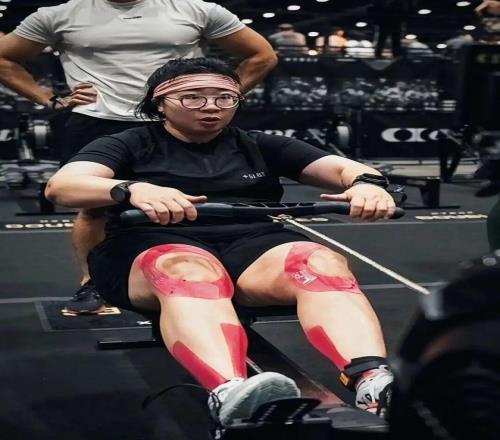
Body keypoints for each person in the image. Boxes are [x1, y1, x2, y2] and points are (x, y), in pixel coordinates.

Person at [45, 57, 396, 426]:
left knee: (319, 262)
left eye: (224, 98)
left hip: (250, 243)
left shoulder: (257, 144)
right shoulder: (128, 143)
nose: (211, 106)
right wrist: (132, 188)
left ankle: (373, 382)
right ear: (159, 103)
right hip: (149, 245)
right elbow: (62, 186)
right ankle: (230, 393)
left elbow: (343, 168)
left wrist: (368, 185)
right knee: (189, 270)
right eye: (193, 97)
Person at [0, 0, 277, 314]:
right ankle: (94, 283)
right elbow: (4, 58)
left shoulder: (197, 10)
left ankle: (197, 272)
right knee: (93, 208)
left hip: (175, 120)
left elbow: (262, 55)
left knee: (192, 199)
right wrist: (50, 99)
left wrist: (220, 96)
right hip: (98, 120)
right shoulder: (58, 15)